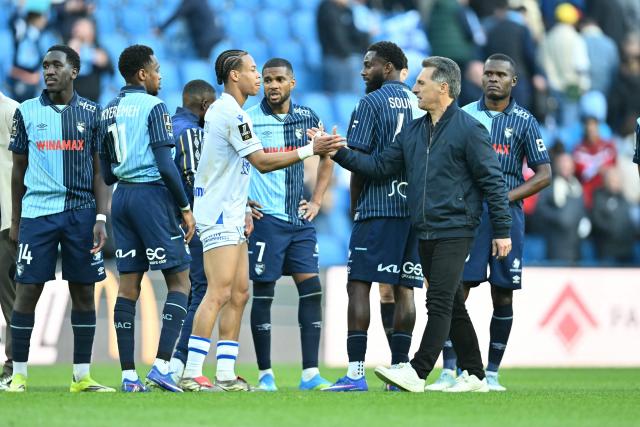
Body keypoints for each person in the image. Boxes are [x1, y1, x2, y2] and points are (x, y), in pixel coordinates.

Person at [313, 55, 512, 393]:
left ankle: (416, 372)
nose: (415, 87)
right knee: (452, 303)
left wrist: (503, 230)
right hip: (425, 228)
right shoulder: (415, 130)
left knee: (437, 300)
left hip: (456, 228)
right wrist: (337, 152)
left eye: (422, 83)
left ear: (443, 88)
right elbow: (379, 167)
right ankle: (476, 375)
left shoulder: (468, 129)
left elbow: (493, 181)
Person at [178, 49, 343, 392]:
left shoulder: (235, 113)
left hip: (234, 211)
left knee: (239, 293)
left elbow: (231, 168)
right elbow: (260, 162)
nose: (259, 78)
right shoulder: (229, 112)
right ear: (235, 76)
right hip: (219, 213)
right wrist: (310, 150)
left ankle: (224, 374)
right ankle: (191, 371)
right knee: (218, 291)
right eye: (255, 71)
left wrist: (243, 204)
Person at [427, 53, 551, 392]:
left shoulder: (525, 122)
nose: (493, 79)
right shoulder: (463, 115)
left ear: (513, 81)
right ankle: (451, 371)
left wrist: (503, 199)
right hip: (466, 217)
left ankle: (492, 373)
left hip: (507, 217)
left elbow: (544, 175)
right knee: (455, 292)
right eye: (488, 73)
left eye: (500, 74)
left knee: (503, 295)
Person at [320, 41, 425, 393]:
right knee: (404, 288)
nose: (363, 71)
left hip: (378, 207)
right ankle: (399, 370)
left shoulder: (370, 103)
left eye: (370, 64)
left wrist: (355, 205)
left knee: (359, 284)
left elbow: (360, 162)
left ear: (390, 67)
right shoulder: (420, 103)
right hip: (413, 211)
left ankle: (355, 373)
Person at [7, 45, 112, 393]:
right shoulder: (26, 112)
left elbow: (100, 171)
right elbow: (17, 170)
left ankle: (82, 377)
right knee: (27, 292)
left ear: (74, 71)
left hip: (81, 215)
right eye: (45, 66)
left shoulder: (92, 114)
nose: (49, 71)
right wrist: (18, 220)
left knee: (83, 293)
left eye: (56, 65)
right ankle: (18, 375)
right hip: (38, 216)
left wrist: (100, 217)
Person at [99, 44, 195, 393]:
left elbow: (106, 173)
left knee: (128, 286)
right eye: (156, 70)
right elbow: (167, 165)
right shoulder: (155, 107)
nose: (160, 76)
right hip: (150, 196)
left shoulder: (108, 110)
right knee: (180, 281)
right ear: (142, 74)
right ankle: (163, 366)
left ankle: (128, 377)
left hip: (121, 198)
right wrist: (184, 207)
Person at [245, 58, 334, 392]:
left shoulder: (308, 117)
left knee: (312, 291)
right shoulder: (249, 120)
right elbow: (234, 164)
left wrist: (318, 200)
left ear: (292, 82)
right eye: (267, 79)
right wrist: (242, 202)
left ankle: (310, 373)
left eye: (280, 79)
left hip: (299, 222)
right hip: (264, 221)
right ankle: (265, 374)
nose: (273, 85)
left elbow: (329, 156)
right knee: (264, 293)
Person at [167, 79, 216, 383]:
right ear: (205, 107)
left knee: (176, 291)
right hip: (188, 222)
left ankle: (146, 368)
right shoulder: (192, 133)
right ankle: (177, 363)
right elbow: (195, 180)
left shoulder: (166, 125)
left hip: (153, 217)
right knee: (199, 289)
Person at [0, 91, 19, 390]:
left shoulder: (12, 111)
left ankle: (14, 364)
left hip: (6, 221)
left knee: (10, 296)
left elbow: (25, 166)